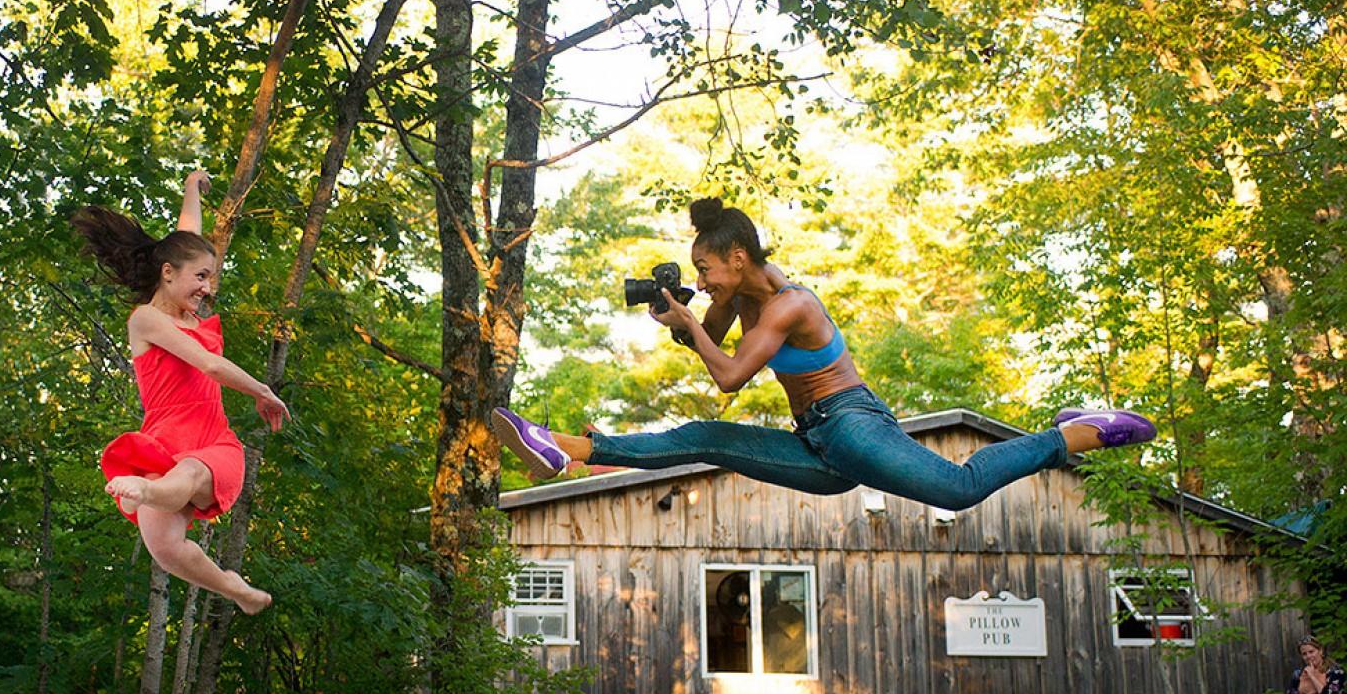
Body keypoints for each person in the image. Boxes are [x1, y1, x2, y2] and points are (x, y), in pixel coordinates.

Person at [492, 196, 1156, 509]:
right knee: (706, 440)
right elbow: (708, 340)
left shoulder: (791, 305)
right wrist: (681, 313)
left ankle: (1075, 433)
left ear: (739, 257)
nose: (701, 279)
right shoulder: (734, 298)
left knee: (958, 490)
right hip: (819, 446)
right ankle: (561, 448)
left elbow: (725, 376)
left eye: (706, 267)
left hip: (854, 427)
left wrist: (693, 328)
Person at [70, 169, 287, 615]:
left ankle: (146, 493)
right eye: (202, 277)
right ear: (167, 274)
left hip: (213, 444)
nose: (208, 288)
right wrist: (262, 390)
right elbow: (208, 363)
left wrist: (191, 187)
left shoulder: (182, 290)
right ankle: (235, 589)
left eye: (211, 277)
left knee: (184, 477)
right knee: (165, 549)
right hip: (164, 441)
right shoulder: (147, 320)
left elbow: (188, 234)